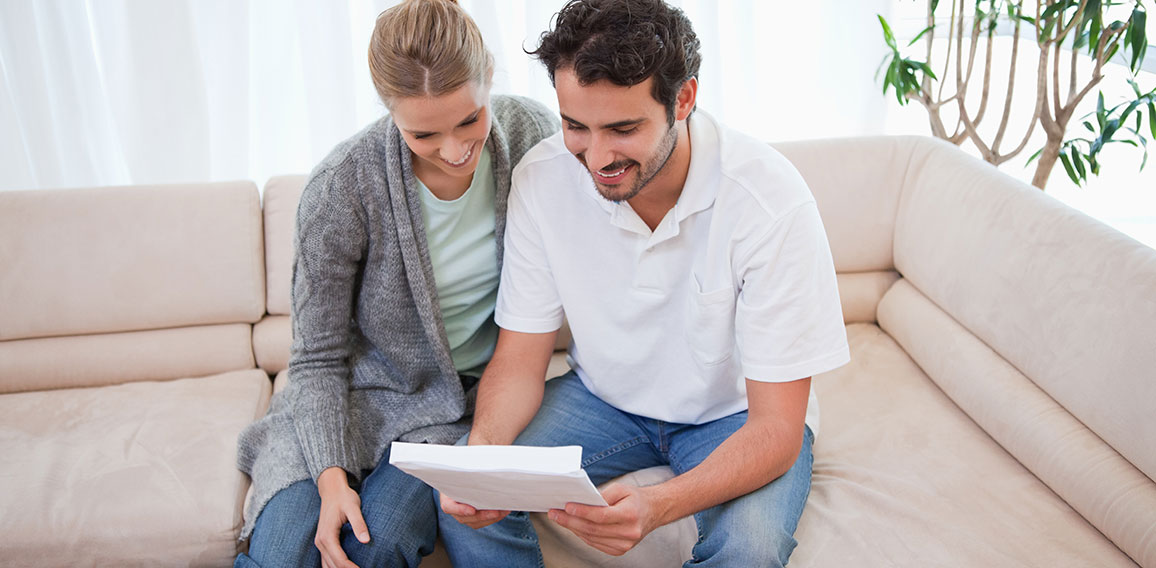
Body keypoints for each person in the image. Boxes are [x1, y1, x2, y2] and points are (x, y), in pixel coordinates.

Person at [437, 0, 850, 566]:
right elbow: (519, 357)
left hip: (734, 418)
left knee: (751, 549)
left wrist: (658, 505)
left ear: (683, 100)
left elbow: (777, 427)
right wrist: (484, 453)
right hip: (601, 400)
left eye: (623, 128)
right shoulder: (542, 179)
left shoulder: (769, 202)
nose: (596, 155)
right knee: (469, 491)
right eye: (576, 126)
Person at [232, 1, 558, 566]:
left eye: (470, 120)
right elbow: (316, 361)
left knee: (370, 549)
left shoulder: (532, 135)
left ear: (489, 79)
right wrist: (331, 480)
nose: (455, 150)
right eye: (424, 133)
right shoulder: (342, 187)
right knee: (283, 555)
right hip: (350, 398)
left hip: (452, 409)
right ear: (389, 112)